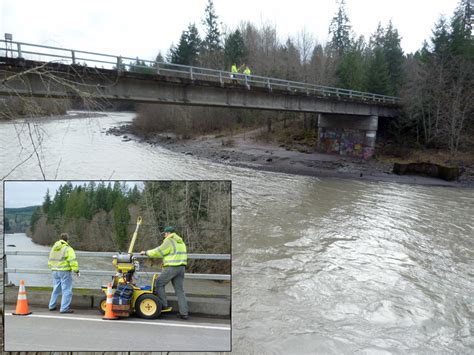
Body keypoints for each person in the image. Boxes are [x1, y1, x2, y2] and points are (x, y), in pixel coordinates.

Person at [140, 226, 189, 319]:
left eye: (165, 234)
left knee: (159, 283)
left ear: (168, 233)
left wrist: (146, 253)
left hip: (171, 267)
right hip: (181, 267)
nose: (164, 235)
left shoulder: (169, 241)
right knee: (180, 291)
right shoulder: (181, 241)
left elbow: (159, 251)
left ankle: (162, 305)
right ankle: (184, 313)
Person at [47, 233, 79, 313]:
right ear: (67, 240)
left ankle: (51, 306)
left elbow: (50, 259)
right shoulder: (68, 248)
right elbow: (72, 260)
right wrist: (76, 270)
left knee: (56, 288)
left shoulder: (54, 247)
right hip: (64, 271)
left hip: (54, 270)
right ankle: (64, 308)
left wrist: (52, 267)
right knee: (67, 290)